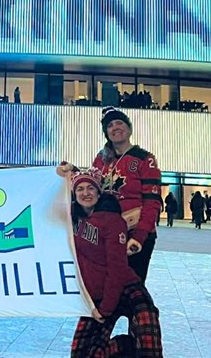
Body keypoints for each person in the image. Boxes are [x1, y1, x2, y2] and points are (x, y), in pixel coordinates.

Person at [67, 171, 163, 358]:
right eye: (80, 189)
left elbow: (117, 268)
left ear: (98, 191)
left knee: (148, 342)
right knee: (80, 353)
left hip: (126, 288)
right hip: (97, 293)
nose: (85, 193)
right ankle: (125, 346)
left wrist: (106, 309)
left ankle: (131, 346)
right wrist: (61, 170)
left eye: (90, 188)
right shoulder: (71, 217)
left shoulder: (112, 220)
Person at [91, 107, 162, 282]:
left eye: (120, 123)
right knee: (107, 283)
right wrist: (69, 171)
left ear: (129, 129)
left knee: (132, 285)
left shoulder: (145, 159)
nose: (115, 127)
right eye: (110, 125)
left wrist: (139, 236)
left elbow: (152, 201)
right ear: (106, 133)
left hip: (136, 231)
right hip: (108, 231)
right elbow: (89, 185)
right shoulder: (102, 159)